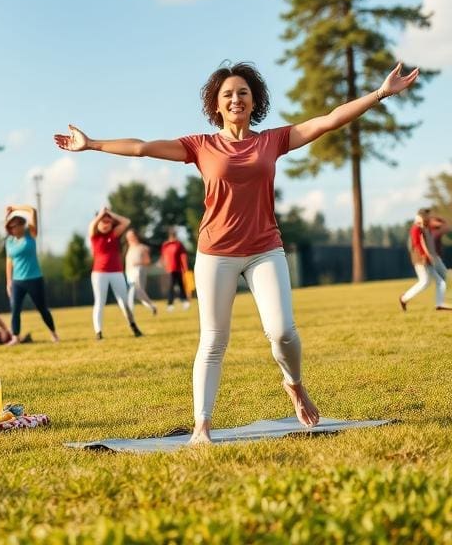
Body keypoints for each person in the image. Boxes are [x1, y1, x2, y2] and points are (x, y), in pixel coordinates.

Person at [54, 60, 419, 444]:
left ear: (254, 100)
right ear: (216, 105)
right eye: (227, 94)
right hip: (216, 253)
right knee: (213, 339)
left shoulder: (272, 141)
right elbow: (143, 148)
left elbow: (327, 121)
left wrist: (380, 93)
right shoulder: (201, 146)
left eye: (243, 92)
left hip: (265, 249)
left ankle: (294, 384)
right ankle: (202, 425)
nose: (235, 99)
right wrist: (92, 144)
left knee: (283, 332)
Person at [5, 205, 58, 344]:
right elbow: (9, 262)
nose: (14, 229)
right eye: (11, 227)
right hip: (17, 281)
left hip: (34, 279)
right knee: (15, 309)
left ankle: (54, 333)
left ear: (22, 225)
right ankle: (15, 337)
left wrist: (15, 208)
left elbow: (33, 211)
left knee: (42, 309)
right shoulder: (9, 242)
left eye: (16, 226)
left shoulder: (31, 234)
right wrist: (8, 281)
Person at [88, 207, 143, 339]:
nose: (106, 224)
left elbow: (126, 222)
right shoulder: (94, 236)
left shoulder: (113, 234)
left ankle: (133, 326)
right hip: (99, 274)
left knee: (123, 302)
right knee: (100, 302)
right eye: (103, 221)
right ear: (98, 222)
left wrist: (110, 213)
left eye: (109, 222)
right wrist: (101, 214)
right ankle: (98, 332)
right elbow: (92, 225)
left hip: (116, 272)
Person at [400, 209, 449, 311]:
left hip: (427, 259)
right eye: (427, 216)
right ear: (422, 217)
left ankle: (439, 304)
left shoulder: (424, 227)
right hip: (420, 259)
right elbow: (417, 243)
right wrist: (424, 255)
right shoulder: (416, 228)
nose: (429, 218)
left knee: (440, 282)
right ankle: (404, 298)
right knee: (424, 281)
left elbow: (442, 226)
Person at [124, 229, 158, 316]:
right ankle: (153, 307)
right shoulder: (128, 248)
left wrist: (138, 263)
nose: (130, 238)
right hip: (129, 272)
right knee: (139, 294)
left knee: (135, 290)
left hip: (139, 270)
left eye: (131, 235)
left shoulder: (142, 248)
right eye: (128, 236)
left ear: (136, 236)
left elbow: (148, 261)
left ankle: (129, 313)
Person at [160, 227, 191, 311]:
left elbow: (183, 256)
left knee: (181, 285)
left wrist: (185, 267)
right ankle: (170, 304)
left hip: (178, 268)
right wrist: (164, 266)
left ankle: (185, 301)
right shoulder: (165, 245)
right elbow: (163, 257)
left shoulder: (178, 244)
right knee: (171, 286)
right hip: (170, 269)